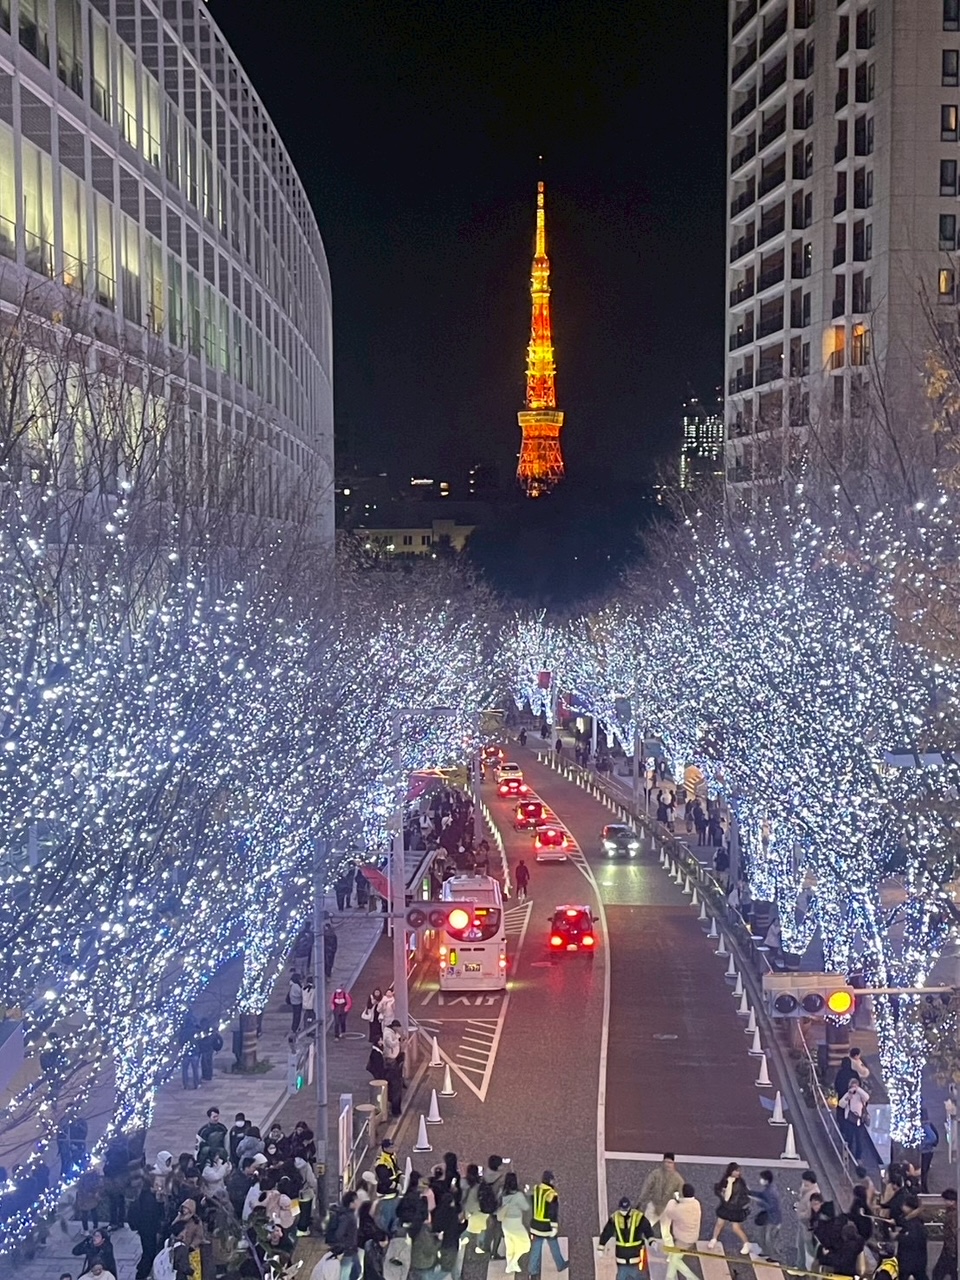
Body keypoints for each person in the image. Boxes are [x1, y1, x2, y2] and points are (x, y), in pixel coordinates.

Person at [598, 1196, 651, 1280]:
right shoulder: (615, 1218)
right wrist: (601, 1246)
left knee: (636, 1275)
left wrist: (651, 1239)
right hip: (622, 1259)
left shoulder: (638, 1217)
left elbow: (647, 1229)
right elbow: (607, 1232)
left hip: (635, 1258)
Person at [529, 1171, 569, 1276]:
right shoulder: (552, 1194)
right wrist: (554, 1227)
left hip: (535, 1224)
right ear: (551, 1181)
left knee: (536, 1247)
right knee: (554, 1245)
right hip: (546, 1226)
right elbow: (553, 1212)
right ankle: (560, 1264)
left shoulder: (536, 1189)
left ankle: (533, 1271)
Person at [708, 1162, 751, 1254]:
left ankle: (746, 1243)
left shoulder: (740, 1182)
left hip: (735, 1208)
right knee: (719, 1223)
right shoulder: (725, 1180)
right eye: (736, 1171)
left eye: (738, 1171)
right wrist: (721, 1193)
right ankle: (714, 1239)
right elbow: (720, 1189)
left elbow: (744, 1194)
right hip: (726, 1206)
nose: (738, 1173)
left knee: (736, 1228)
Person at [661, 1185, 702, 1280]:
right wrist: (679, 1199)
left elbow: (669, 1212)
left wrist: (673, 1200)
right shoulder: (696, 1203)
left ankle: (692, 1278)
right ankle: (671, 1278)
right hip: (693, 1236)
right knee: (675, 1258)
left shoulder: (679, 1209)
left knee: (674, 1259)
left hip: (683, 1239)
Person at [495, 1172, 530, 1274]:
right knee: (525, 1245)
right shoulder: (518, 1196)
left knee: (510, 1245)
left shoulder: (502, 1193)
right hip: (515, 1223)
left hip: (505, 1222)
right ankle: (512, 1263)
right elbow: (526, 1207)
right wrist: (526, 1194)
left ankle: (512, 1264)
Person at [128, 1182, 164, 1280]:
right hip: (149, 1230)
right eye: (156, 1185)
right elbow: (155, 1215)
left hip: (144, 1229)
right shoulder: (149, 1199)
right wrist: (160, 1203)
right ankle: (142, 1273)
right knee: (150, 1252)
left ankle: (142, 1269)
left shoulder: (144, 1196)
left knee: (146, 1250)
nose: (158, 1187)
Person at [638, 1154, 684, 1227]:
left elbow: (681, 1194)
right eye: (665, 1162)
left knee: (665, 1231)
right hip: (654, 1205)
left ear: (673, 1164)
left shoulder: (678, 1179)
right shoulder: (655, 1174)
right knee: (645, 1227)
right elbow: (647, 1186)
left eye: (670, 1163)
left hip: (667, 1208)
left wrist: (679, 1207)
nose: (667, 1165)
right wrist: (641, 1200)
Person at [750, 1170, 782, 1261]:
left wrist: (757, 1200)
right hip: (770, 1218)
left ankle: (774, 1256)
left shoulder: (771, 1192)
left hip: (773, 1219)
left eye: (762, 1179)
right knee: (762, 1235)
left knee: (769, 1238)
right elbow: (762, 1195)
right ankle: (766, 1252)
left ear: (766, 1180)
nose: (760, 1180)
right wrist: (751, 1193)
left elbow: (769, 1206)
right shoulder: (769, 1189)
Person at [838, 1078, 871, 1162]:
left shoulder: (861, 1095)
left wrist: (858, 1090)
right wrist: (847, 1098)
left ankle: (858, 1157)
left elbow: (867, 1097)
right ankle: (847, 1155)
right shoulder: (848, 1094)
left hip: (859, 1121)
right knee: (849, 1138)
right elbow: (841, 1104)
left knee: (859, 1140)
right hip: (850, 1120)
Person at [897, 1195, 929, 1280]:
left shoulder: (913, 1224)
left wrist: (899, 1236)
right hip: (918, 1259)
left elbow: (909, 1239)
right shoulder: (914, 1221)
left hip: (910, 1259)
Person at [795, 1172, 822, 1270]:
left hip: (807, 1225)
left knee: (808, 1247)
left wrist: (801, 1215)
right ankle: (800, 1265)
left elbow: (810, 1213)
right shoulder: (806, 1188)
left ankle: (811, 1267)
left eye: (805, 1181)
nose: (803, 1182)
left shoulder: (814, 1194)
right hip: (803, 1224)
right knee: (801, 1244)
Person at [933, 1188, 958, 1280]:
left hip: (950, 1249)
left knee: (938, 1272)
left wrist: (952, 1250)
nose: (944, 1202)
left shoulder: (953, 1214)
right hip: (950, 1248)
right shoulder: (952, 1212)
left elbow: (953, 1232)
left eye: (945, 1200)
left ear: (952, 1201)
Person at [75, 1162, 104, 1232]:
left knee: (84, 1214)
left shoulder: (83, 1176)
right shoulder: (95, 1175)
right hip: (93, 1197)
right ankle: (95, 1227)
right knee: (94, 1212)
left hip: (84, 1198)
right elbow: (99, 1184)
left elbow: (80, 1186)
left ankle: (86, 1230)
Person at [921, 1108, 940, 1193]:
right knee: (924, 1170)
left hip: (926, 1151)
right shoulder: (926, 1124)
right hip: (927, 1151)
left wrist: (923, 1144)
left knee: (924, 1171)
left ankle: (924, 1189)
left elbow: (933, 1138)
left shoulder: (925, 1124)